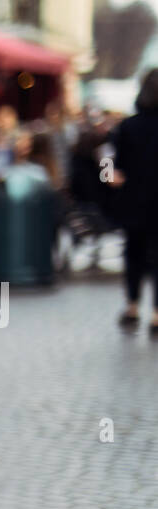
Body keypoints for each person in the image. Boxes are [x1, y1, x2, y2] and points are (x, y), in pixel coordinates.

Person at [110, 68, 158, 333]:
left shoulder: (127, 126)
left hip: (134, 202)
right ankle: (156, 314)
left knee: (134, 254)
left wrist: (111, 177)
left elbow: (109, 164)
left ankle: (132, 305)